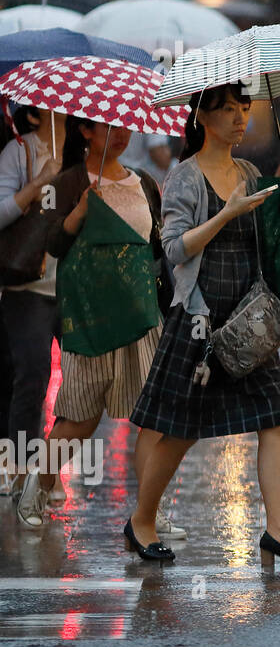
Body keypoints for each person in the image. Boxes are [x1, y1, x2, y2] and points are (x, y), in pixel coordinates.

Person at [127, 84, 280, 566]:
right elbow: (173, 250)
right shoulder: (185, 178)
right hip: (201, 316)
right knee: (181, 429)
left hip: (248, 319)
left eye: (244, 109)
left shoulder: (250, 172)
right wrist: (226, 212)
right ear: (201, 119)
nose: (239, 119)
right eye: (228, 110)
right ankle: (142, 521)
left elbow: (268, 242)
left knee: (274, 418)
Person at [12, 117, 176, 535]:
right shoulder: (67, 182)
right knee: (80, 417)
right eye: (110, 127)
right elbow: (51, 244)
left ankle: (149, 514)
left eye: (126, 127)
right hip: (90, 317)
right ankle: (38, 482)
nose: (122, 135)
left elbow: (155, 246)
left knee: (152, 418)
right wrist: (80, 212)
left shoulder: (143, 181)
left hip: (140, 317)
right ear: (86, 132)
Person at [0, 106, 62, 495]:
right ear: (34, 117)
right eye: (50, 108)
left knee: (84, 380)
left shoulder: (82, 149)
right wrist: (39, 182)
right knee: (33, 376)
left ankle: (51, 468)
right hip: (29, 288)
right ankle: (23, 473)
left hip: (74, 285)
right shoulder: (17, 152)